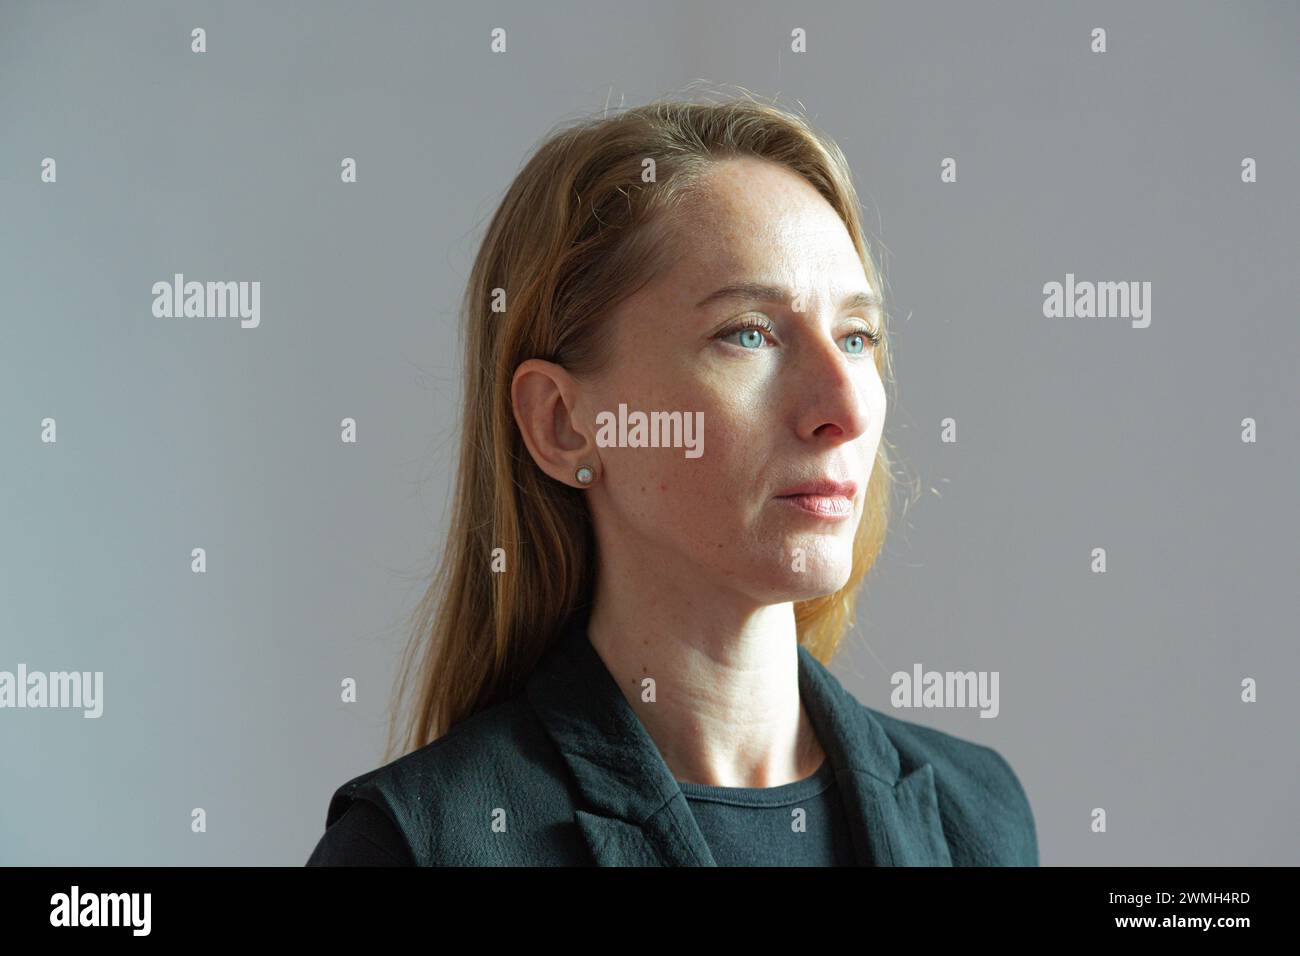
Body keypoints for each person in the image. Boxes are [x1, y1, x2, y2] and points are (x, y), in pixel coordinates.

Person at [306, 92, 1038, 867]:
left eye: (857, 337)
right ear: (561, 422)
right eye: (749, 334)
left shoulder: (977, 814)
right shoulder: (419, 847)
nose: (845, 407)